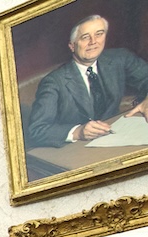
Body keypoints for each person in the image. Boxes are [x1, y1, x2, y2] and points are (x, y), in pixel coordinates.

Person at [25, 14, 148, 150]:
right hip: (74, 150)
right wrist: (78, 132)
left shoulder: (120, 58)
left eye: (99, 34)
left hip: (117, 138)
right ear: (72, 46)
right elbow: (36, 131)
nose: (93, 42)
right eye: (85, 37)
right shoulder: (54, 82)